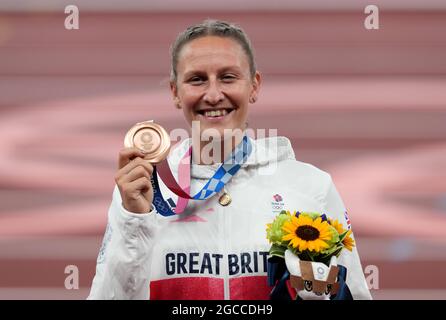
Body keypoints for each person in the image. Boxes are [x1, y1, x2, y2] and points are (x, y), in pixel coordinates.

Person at [88, 19, 372, 300]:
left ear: (254, 86)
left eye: (228, 77)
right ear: (175, 92)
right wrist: (134, 220)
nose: (213, 95)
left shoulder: (311, 187)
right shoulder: (145, 189)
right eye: (197, 79)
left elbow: (355, 295)